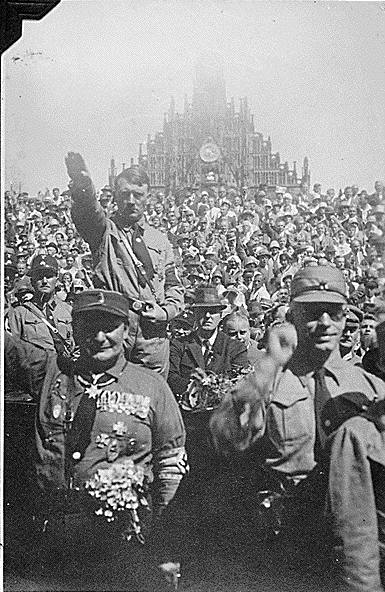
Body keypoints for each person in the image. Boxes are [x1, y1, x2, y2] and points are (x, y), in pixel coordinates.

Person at [210, 265, 385, 592]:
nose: (325, 324)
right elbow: (225, 438)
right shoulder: (268, 378)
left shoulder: (370, 387)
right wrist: (268, 364)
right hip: (285, 539)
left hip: (352, 539)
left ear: (346, 316)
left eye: (333, 313)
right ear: (292, 315)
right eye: (312, 313)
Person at [5, 290, 187, 591]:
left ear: (126, 330)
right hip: (50, 541)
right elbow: (7, 347)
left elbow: (171, 466)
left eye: (110, 326)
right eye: (89, 327)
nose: (100, 336)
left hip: (120, 544)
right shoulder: (52, 372)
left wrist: (165, 545)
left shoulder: (152, 387)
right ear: (75, 330)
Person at [66, 152, 184, 378]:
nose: (131, 201)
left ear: (147, 197)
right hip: (114, 329)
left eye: (137, 194)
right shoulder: (104, 232)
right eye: (125, 194)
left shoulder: (160, 240)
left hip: (152, 338)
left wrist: (165, 311)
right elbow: (88, 212)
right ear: (116, 198)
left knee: (151, 397)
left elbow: (174, 285)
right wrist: (83, 187)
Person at [168, 286, 248, 397]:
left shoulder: (235, 348)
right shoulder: (179, 344)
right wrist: (194, 386)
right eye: (202, 311)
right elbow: (171, 377)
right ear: (195, 314)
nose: (207, 316)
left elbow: (240, 382)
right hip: (187, 407)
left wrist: (211, 385)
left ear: (220, 315)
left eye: (213, 312)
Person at [8, 254, 73, 355]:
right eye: (39, 277)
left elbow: (77, 346)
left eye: (49, 276)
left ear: (56, 280)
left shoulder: (68, 310)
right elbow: (13, 350)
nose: (44, 281)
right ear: (32, 281)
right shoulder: (20, 313)